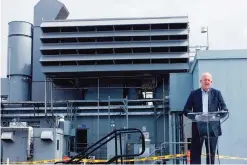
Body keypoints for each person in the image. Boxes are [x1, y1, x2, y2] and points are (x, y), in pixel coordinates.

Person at [183, 72, 228, 164]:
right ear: (201, 81)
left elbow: (224, 109)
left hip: (212, 127)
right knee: (195, 153)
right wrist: (196, 116)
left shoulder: (217, 93)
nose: (206, 81)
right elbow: (186, 110)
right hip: (198, 127)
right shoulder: (194, 94)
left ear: (211, 81)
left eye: (208, 80)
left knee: (211, 154)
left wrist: (216, 116)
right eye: (205, 80)